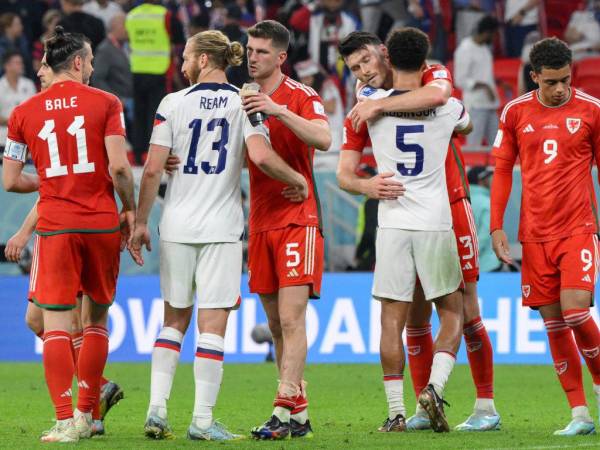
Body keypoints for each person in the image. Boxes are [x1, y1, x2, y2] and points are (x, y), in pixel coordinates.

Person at [130, 30, 308, 441]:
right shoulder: (241, 101)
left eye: (187, 57)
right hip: (221, 230)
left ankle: (156, 412)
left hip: (176, 226)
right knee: (213, 325)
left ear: (204, 60)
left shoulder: (171, 103)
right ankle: (203, 423)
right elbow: (261, 156)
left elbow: (153, 169)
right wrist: (296, 177)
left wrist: (140, 223)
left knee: (173, 320)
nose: (182, 64)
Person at [338, 30, 499, 432]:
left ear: (384, 54)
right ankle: (423, 402)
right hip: (429, 215)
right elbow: (454, 114)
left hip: (450, 203)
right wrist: (365, 185)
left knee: (468, 310)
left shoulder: (412, 85)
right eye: (354, 68)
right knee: (419, 316)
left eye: (365, 62)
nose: (362, 72)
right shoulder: (369, 96)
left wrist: (378, 107)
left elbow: (436, 96)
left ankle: (484, 405)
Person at [2, 26, 136, 442]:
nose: (93, 67)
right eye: (92, 61)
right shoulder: (108, 103)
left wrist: (51, 181)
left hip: (58, 226)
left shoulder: (23, 113)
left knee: (56, 324)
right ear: (78, 63)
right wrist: (129, 208)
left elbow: (10, 180)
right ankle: (86, 415)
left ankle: (64, 422)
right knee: (95, 322)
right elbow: (118, 168)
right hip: (100, 223)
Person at [491, 37, 600, 436]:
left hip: (578, 228)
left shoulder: (591, 110)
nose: (559, 89)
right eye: (551, 81)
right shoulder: (515, 112)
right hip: (534, 235)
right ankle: (579, 414)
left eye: (565, 80)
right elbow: (503, 170)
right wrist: (497, 226)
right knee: (554, 325)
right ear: (534, 76)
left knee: (575, 312)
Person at [240, 19, 331, 440]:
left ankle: (280, 408)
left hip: (299, 219)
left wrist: (279, 110)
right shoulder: (243, 98)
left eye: (260, 51)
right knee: (276, 325)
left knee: (293, 319)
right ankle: (300, 416)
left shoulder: (300, 95)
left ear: (280, 57)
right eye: (249, 49)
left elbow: (325, 138)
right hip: (260, 221)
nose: (251, 57)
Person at [126, 0, 185, 164]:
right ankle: (156, 152)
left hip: (138, 69)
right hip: (160, 71)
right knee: (157, 113)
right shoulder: (165, 15)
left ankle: (139, 153)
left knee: (140, 112)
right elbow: (179, 39)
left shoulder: (131, 16)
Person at [454, 16, 500, 147]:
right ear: (487, 33)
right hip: (476, 106)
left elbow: (482, 74)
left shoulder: (485, 49)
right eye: (494, 34)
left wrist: (497, 82)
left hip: (490, 105)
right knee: (473, 146)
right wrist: (485, 86)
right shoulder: (465, 49)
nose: (495, 38)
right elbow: (460, 80)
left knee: (498, 147)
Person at [0, 51, 36, 155]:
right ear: (7, 66)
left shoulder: (29, 84)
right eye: (17, 63)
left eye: (21, 63)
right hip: (3, 140)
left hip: (26, 138)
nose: (21, 65)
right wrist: (15, 123)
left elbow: (34, 111)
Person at [467, 166, 501, 272]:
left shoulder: (462, 201)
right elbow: (486, 235)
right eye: (487, 178)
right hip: (487, 265)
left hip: (467, 265)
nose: (490, 180)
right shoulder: (487, 203)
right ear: (481, 180)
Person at [0, 12, 34, 80]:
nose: (21, 27)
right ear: (7, 28)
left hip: (25, 81)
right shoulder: (1, 47)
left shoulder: (23, 41)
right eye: (17, 24)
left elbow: (28, 65)